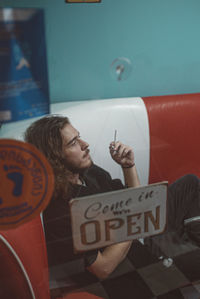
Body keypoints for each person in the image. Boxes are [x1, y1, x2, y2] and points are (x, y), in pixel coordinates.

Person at [24, 115, 200, 280]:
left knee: (190, 183)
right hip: (136, 260)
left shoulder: (89, 172)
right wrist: (136, 223)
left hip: (140, 232)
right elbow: (103, 268)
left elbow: (135, 200)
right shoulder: (60, 207)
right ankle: (180, 248)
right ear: (54, 157)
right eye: (73, 143)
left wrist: (128, 166)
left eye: (79, 137)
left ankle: (185, 242)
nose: (85, 144)